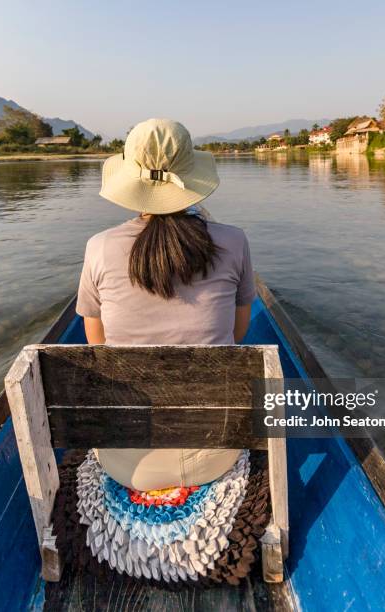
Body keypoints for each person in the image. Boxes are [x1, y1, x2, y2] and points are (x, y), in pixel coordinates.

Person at [76, 118, 256, 491]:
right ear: (192, 179)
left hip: (125, 461)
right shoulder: (234, 241)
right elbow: (237, 332)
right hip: (217, 453)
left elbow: (98, 345)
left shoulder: (99, 247)